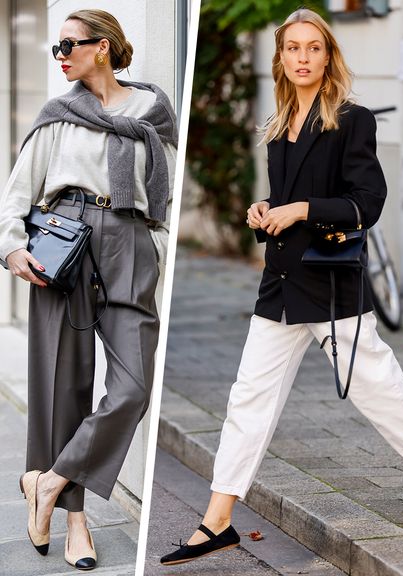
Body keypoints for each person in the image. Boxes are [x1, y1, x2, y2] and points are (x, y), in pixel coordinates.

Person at [159, 8, 403, 566]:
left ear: (329, 57)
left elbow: (366, 204)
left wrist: (302, 209)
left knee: (381, 392)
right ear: (281, 57)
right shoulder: (279, 124)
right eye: (293, 48)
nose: (302, 58)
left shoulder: (353, 119)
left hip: (330, 285)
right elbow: (284, 200)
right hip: (280, 284)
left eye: (313, 48)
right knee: (246, 400)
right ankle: (217, 520)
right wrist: (265, 211)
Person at [0, 9, 177, 571]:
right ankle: (76, 521)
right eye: (56, 47)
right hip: (64, 242)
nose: (60, 55)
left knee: (133, 387)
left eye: (69, 44)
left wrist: (159, 250)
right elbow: (19, 191)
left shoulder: (153, 115)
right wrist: (11, 247)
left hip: (129, 242)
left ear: (103, 47)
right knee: (63, 389)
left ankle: (48, 480)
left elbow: (165, 196)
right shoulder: (58, 117)